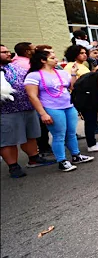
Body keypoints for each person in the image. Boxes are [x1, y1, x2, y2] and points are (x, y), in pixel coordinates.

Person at [24, 49, 94, 172]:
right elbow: (32, 96)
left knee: (71, 133)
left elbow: (72, 87)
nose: (56, 60)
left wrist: (73, 74)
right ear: (42, 60)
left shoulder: (61, 73)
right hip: (52, 108)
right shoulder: (34, 75)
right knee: (59, 135)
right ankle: (62, 161)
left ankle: (76, 155)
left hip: (68, 105)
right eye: (52, 58)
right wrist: (43, 113)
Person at [1, 44, 54, 178]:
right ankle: (13, 166)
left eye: (8, 51)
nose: (8, 54)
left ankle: (34, 158)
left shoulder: (15, 67)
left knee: (31, 135)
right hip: (7, 111)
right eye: (4, 52)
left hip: (27, 107)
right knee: (9, 140)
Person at [64, 45, 98, 152]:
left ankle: (93, 141)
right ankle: (91, 144)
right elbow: (73, 84)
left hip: (89, 95)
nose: (84, 55)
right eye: (81, 53)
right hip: (83, 96)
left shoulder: (82, 65)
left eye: (85, 52)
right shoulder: (71, 66)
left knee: (92, 119)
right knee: (89, 119)